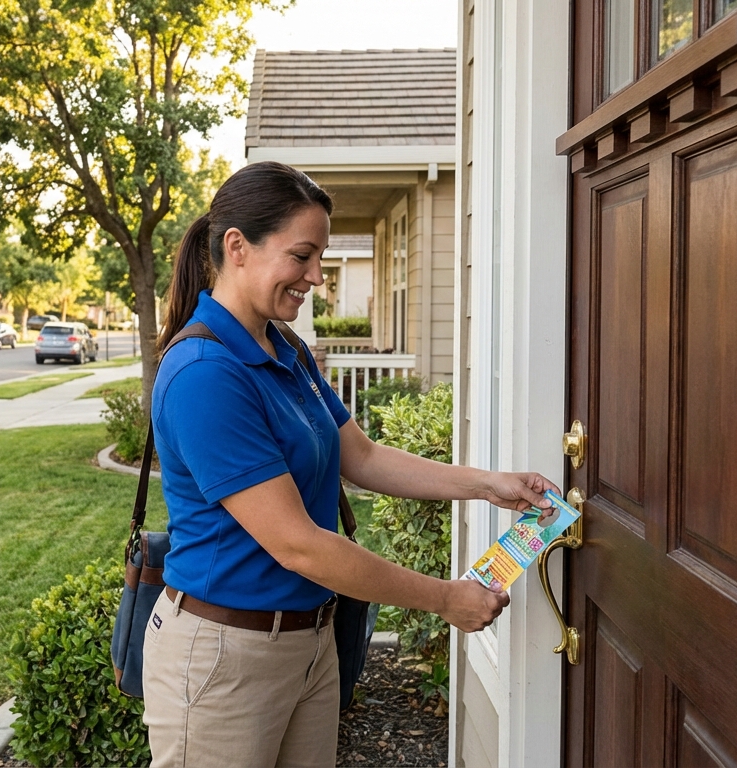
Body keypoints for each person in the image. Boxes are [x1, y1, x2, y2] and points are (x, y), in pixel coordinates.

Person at [142, 161, 559, 768]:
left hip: (309, 644)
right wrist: (445, 598)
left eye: (321, 257)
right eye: (302, 256)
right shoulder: (205, 374)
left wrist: (487, 485)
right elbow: (299, 545)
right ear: (237, 247)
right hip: (224, 656)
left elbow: (359, 456)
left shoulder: (285, 348)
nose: (316, 276)